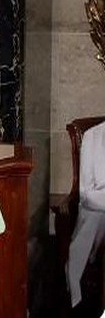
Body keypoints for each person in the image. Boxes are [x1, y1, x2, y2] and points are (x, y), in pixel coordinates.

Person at [68, 120, 105, 308]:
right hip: (94, 207)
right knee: (94, 214)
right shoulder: (92, 137)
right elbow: (86, 194)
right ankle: (76, 287)